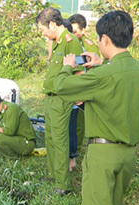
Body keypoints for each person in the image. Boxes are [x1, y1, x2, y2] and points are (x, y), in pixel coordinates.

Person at [54, 10, 139, 205]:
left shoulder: (102, 76)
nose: (97, 44)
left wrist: (66, 64)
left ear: (105, 38)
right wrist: (100, 65)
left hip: (103, 152)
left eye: (98, 40)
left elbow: (62, 87)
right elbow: (115, 88)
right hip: (128, 153)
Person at [36, 7, 84, 195]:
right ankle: (54, 174)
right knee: (50, 137)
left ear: (53, 24)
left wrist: (78, 97)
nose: (43, 33)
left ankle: (63, 184)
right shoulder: (56, 42)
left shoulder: (69, 42)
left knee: (59, 139)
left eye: (43, 29)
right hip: (51, 98)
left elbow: (79, 72)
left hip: (61, 99)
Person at [68, 13, 101, 165]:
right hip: (73, 91)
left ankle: (81, 151)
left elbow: (94, 71)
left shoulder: (90, 46)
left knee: (83, 124)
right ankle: (74, 153)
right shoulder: (68, 43)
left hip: (86, 91)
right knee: (74, 124)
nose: (72, 35)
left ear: (83, 30)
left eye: (75, 32)